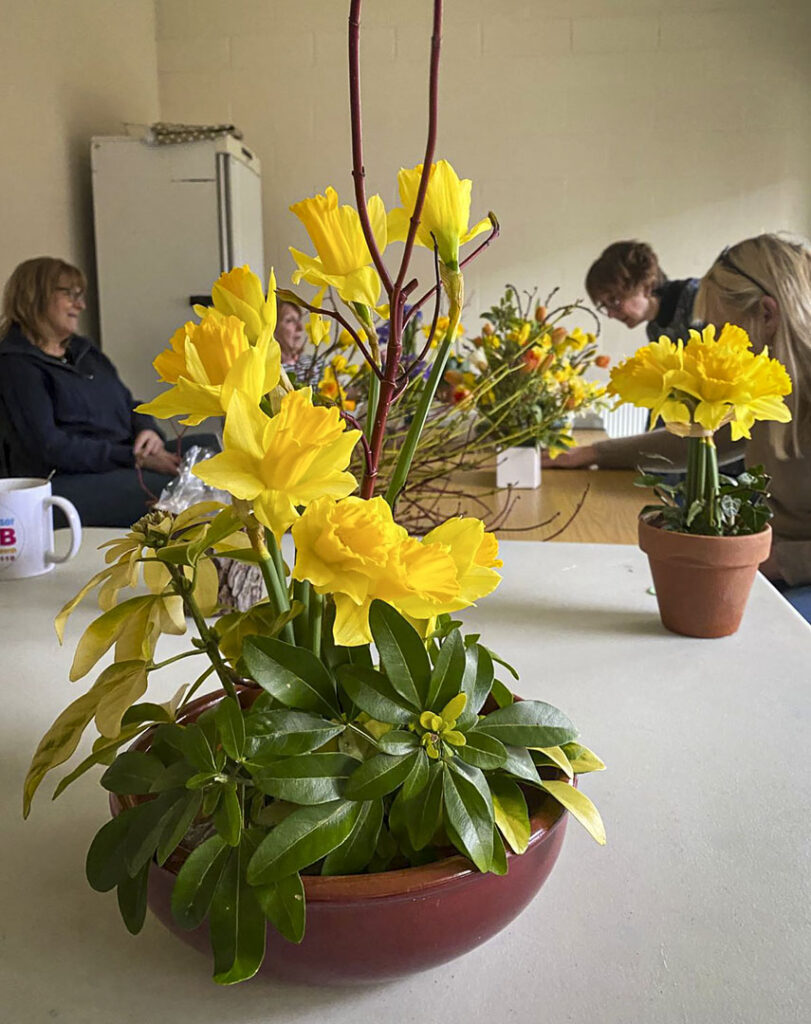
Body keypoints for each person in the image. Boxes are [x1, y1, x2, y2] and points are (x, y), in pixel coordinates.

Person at [547, 234, 811, 614]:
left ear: (767, 315)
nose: (715, 344)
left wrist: (781, 562)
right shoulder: (768, 390)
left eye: (722, 330)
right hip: (767, 566)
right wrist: (593, 453)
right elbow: (698, 435)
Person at [0, 256, 213, 527]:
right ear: (35, 296)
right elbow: (49, 447)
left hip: (121, 459)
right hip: (64, 482)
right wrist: (134, 458)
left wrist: (147, 430)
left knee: (213, 451)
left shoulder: (84, 351)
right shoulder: (16, 364)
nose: (81, 305)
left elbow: (128, 403)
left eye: (81, 295)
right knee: (180, 489)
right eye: (70, 294)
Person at [585, 240, 699, 344]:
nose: (610, 314)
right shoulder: (654, 330)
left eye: (614, 301)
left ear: (647, 286)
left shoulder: (697, 296)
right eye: (604, 305)